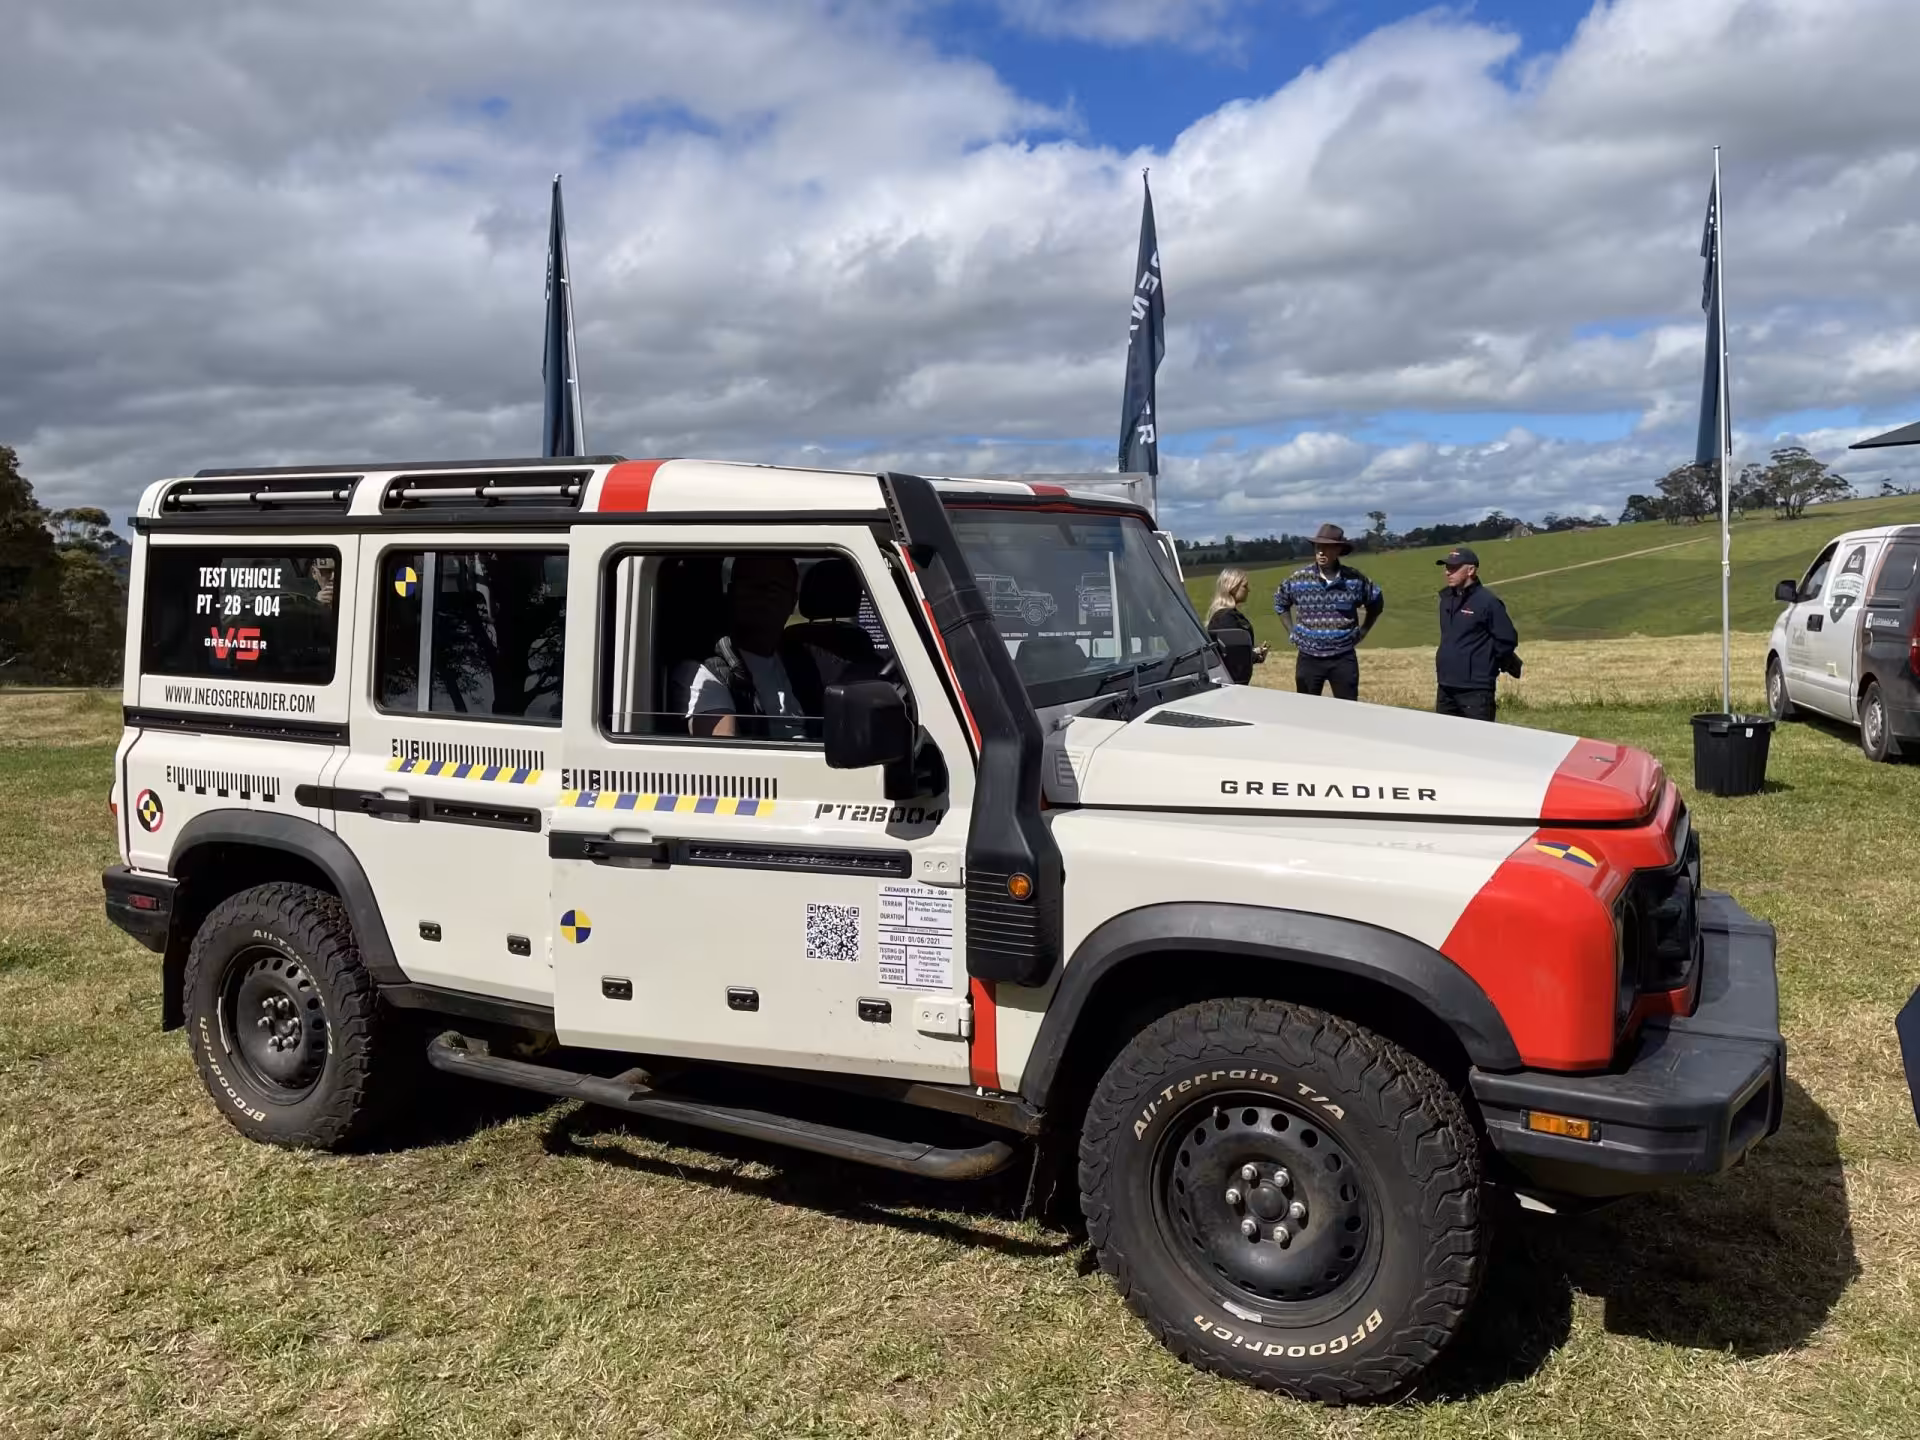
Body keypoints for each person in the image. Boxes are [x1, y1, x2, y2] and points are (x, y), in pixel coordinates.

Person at [671, 552, 806, 738]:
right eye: (752, 587)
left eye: (774, 589)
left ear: (792, 602)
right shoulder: (706, 671)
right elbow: (725, 758)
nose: (762, 598)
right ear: (733, 593)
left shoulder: (802, 660)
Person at [1273, 524, 1384, 700]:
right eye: (1318, 548)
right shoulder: (1299, 579)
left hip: (1343, 657)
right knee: (1306, 710)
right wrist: (1291, 632)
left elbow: (1376, 602)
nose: (1321, 553)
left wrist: (1363, 631)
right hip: (1308, 657)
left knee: (1347, 711)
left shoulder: (1354, 579)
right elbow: (1280, 602)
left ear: (1338, 550)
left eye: (1326, 548)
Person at [1434, 546, 1519, 721]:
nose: (1448, 572)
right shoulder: (1445, 601)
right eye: (1447, 567)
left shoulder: (1488, 602)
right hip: (1445, 686)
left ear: (1471, 570)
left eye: (1454, 568)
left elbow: (1507, 639)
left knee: (1479, 744)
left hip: (1475, 690)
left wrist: (1484, 664)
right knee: (1444, 742)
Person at [1204, 567, 1267, 684]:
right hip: (1231, 684)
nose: (1249, 590)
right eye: (1245, 586)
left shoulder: (1226, 616)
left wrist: (1255, 654)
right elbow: (1233, 656)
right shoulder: (1225, 618)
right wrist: (1254, 655)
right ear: (1232, 588)